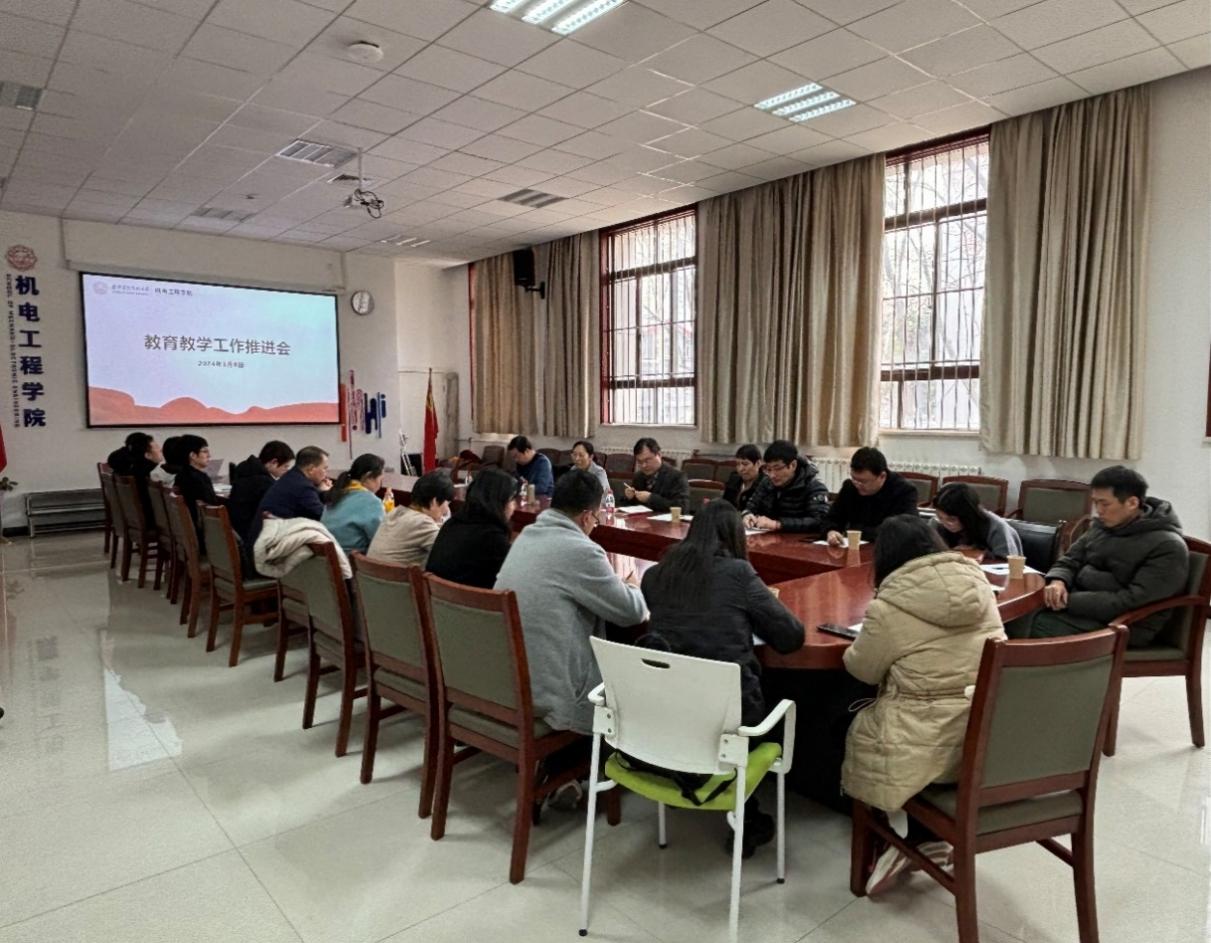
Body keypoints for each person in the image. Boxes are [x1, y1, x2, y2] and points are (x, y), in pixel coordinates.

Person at [842, 515, 1004, 894]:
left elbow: (863, 670)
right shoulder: (980, 585)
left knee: (850, 721)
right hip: (987, 735)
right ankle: (924, 836)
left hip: (925, 744)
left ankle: (889, 837)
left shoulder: (889, 606)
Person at [640, 498, 806, 855]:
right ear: (735, 537)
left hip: (669, 710)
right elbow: (791, 637)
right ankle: (747, 815)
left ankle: (690, 773)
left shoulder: (655, 576)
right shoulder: (738, 574)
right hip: (732, 717)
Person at [496, 469, 647, 737]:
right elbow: (632, 612)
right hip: (550, 695)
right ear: (587, 517)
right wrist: (633, 584)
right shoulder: (581, 550)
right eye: (596, 520)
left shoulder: (527, 535)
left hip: (508, 680)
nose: (594, 526)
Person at [1020, 466, 1188, 647]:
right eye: (1095, 503)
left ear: (1132, 503)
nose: (1098, 511)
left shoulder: (1167, 546)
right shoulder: (1103, 526)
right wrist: (1058, 581)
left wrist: (1068, 601)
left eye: (1105, 504)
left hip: (1122, 625)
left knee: (1019, 627)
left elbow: (1131, 601)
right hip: (1078, 609)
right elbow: (1070, 559)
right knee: (1011, 616)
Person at [426, 467, 516, 588]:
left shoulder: (451, 524)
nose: (514, 506)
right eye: (512, 500)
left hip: (436, 597)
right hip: (472, 599)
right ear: (499, 502)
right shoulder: (494, 539)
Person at [822, 447, 920, 545]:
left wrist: (857, 531)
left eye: (863, 481)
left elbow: (903, 530)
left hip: (888, 548)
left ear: (882, 476)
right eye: (854, 478)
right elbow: (831, 518)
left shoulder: (904, 491)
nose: (857, 485)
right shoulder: (850, 487)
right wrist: (831, 531)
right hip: (853, 548)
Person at [367, 470, 455, 567]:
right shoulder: (423, 523)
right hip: (395, 576)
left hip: (369, 574)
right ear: (434, 501)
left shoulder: (395, 513)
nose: (446, 510)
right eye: (447, 504)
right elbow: (451, 555)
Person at [248, 445, 330, 548]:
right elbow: (324, 517)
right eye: (324, 468)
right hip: (269, 548)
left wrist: (324, 492)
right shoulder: (302, 487)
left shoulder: (293, 477)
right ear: (311, 469)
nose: (326, 474)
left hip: (263, 541)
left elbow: (311, 499)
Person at [742, 440, 829, 533]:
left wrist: (778, 524)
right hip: (767, 536)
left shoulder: (813, 486)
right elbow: (751, 506)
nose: (772, 475)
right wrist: (747, 515)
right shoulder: (767, 482)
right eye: (768, 469)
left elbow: (819, 521)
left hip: (799, 539)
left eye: (777, 468)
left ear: (793, 465)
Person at [931, 482, 1022, 560]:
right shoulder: (937, 523)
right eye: (940, 517)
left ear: (967, 515)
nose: (945, 523)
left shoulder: (996, 527)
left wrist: (979, 553)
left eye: (952, 519)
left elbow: (1008, 562)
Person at [227, 441, 295, 541]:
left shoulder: (245, 471)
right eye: (285, 466)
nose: (286, 471)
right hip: (252, 539)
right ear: (274, 462)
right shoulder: (264, 483)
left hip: (238, 533)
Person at [321, 453, 387, 554]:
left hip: (329, 557)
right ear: (368, 476)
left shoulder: (336, 494)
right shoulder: (371, 502)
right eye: (380, 480)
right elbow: (380, 541)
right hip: (352, 560)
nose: (380, 485)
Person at [623, 437, 689, 512]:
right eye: (639, 462)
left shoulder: (677, 476)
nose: (644, 465)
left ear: (659, 454)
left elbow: (682, 508)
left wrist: (651, 498)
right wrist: (630, 498)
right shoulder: (639, 476)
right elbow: (631, 508)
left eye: (647, 460)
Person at [174, 434, 218, 533]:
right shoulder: (198, 479)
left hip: (188, 529)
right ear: (193, 455)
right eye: (205, 452)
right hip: (207, 531)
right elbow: (212, 506)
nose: (209, 456)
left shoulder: (180, 475)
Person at [721, 444, 765, 513]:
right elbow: (724, 505)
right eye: (738, 464)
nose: (740, 469)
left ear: (758, 463)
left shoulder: (765, 484)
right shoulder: (734, 479)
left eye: (745, 464)